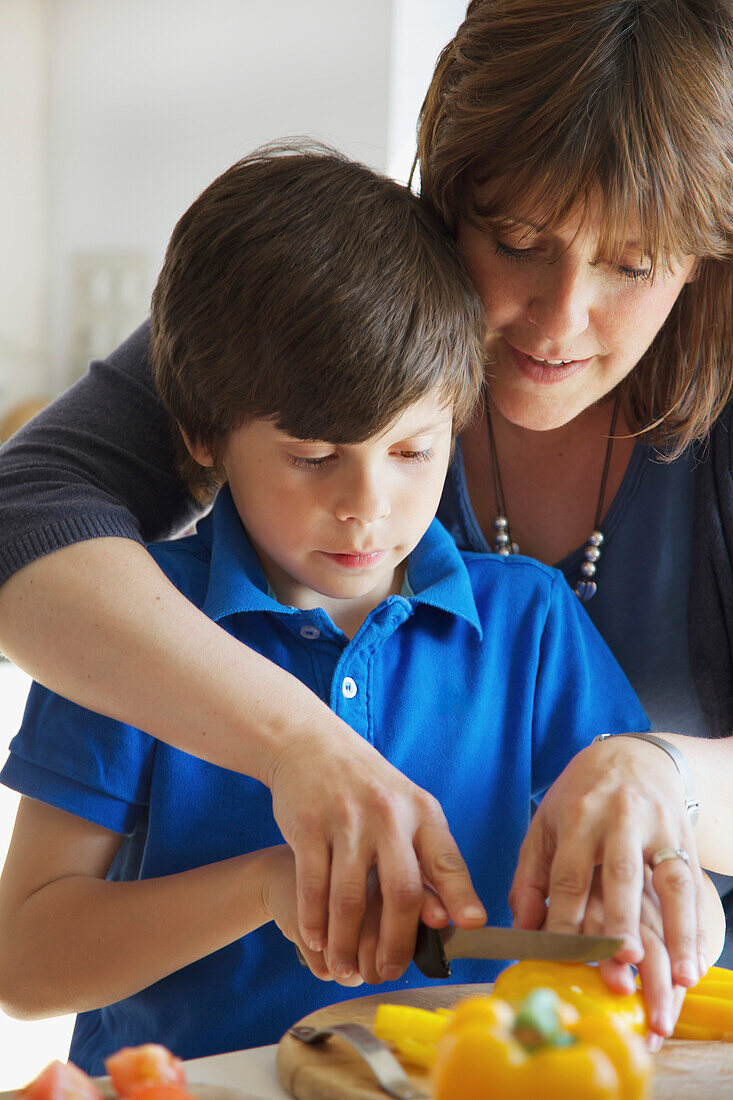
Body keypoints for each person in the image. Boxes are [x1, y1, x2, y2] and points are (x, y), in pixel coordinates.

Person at [0, 0, 731, 1039]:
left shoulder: (525, 627)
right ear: (445, 195)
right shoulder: (150, 613)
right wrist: (289, 781)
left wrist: (673, 838)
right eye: (518, 241)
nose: (561, 322)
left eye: (634, 262)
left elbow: (659, 889)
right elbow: (27, 512)